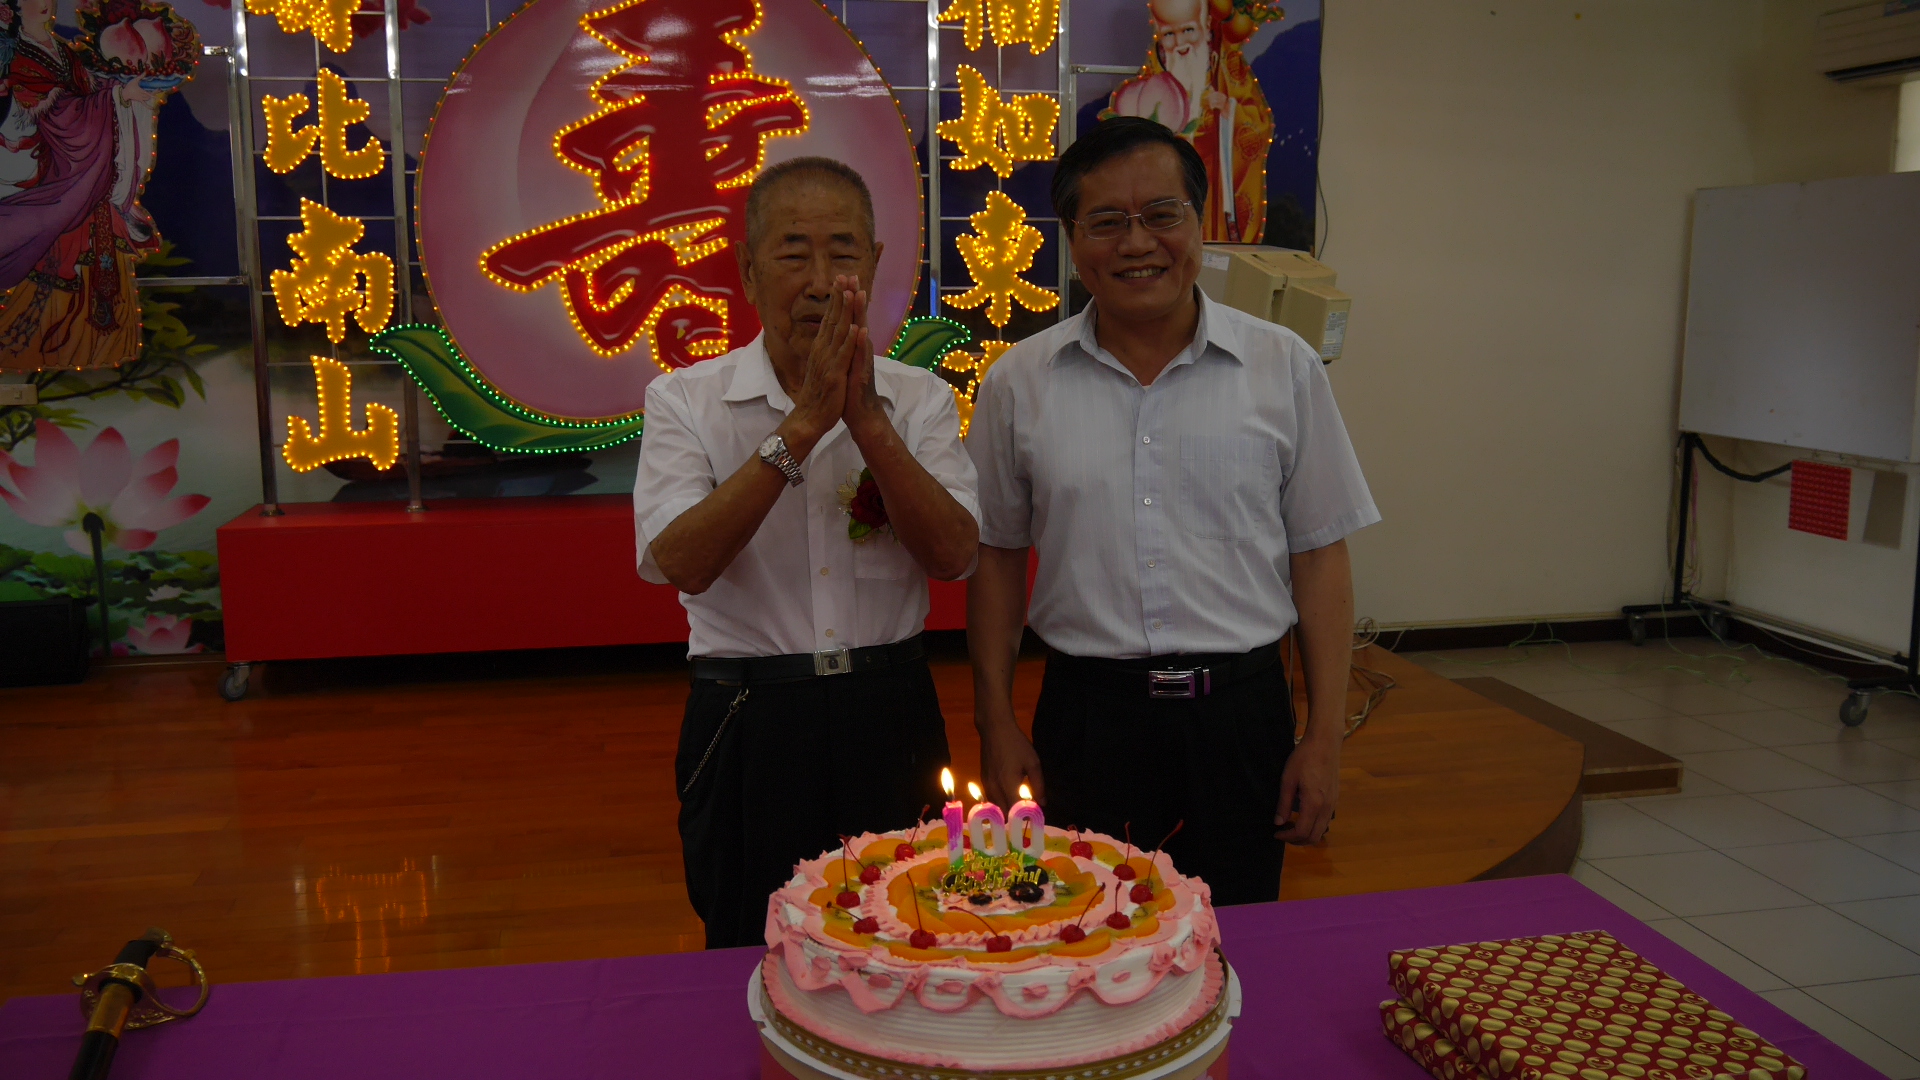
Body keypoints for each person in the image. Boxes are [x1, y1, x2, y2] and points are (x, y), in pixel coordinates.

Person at [965, 117, 1377, 906]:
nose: (1136, 242)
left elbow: (1321, 554)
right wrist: (997, 721)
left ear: (1200, 222)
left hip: (1241, 717)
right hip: (1088, 719)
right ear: (1073, 239)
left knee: (1238, 937)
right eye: (1107, 222)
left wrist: (1323, 739)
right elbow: (998, 558)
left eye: (1162, 215)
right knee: (1084, 933)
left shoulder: (1282, 366)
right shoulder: (1020, 383)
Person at [634, 156, 980, 948]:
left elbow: (956, 553)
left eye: (843, 252)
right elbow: (681, 561)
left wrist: (867, 424)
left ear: (878, 264)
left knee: (912, 935)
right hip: (750, 718)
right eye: (793, 254)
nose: (822, 278)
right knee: (748, 939)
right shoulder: (685, 399)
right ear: (749, 272)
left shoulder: (918, 398)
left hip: (889, 712)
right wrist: (801, 427)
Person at [0, 0, 164, 371]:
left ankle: (101, 352)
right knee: (58, 244)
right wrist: (116, 97)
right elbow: (58, 114)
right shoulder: (17, 56)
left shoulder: (62, 50)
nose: (42, 4)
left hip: (87, 171)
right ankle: (41, 351)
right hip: (53, 169)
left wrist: (120, 83)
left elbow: (85, 93)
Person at [1105, 0, 1273, 243]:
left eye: (1188, 30)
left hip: (1214, 191)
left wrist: (1229, 110)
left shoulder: (1228, 71)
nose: (1180, 43)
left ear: (1205, 26)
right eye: (1170, 34)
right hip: (1164, 193)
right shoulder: (1150, 84)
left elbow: (1258, 127)